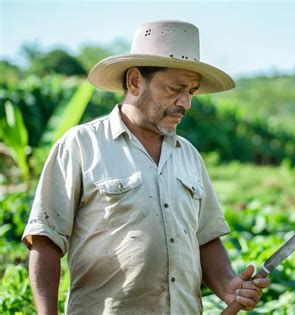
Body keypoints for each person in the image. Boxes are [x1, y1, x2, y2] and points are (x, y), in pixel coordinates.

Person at [22, 20, 270, 314]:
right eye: (175, 88)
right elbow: (46, 240)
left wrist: (228, 284)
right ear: (135, 82)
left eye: (191, 90)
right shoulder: (81, 145)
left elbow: (205, 239)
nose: (186, 102)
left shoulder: (188, 155)